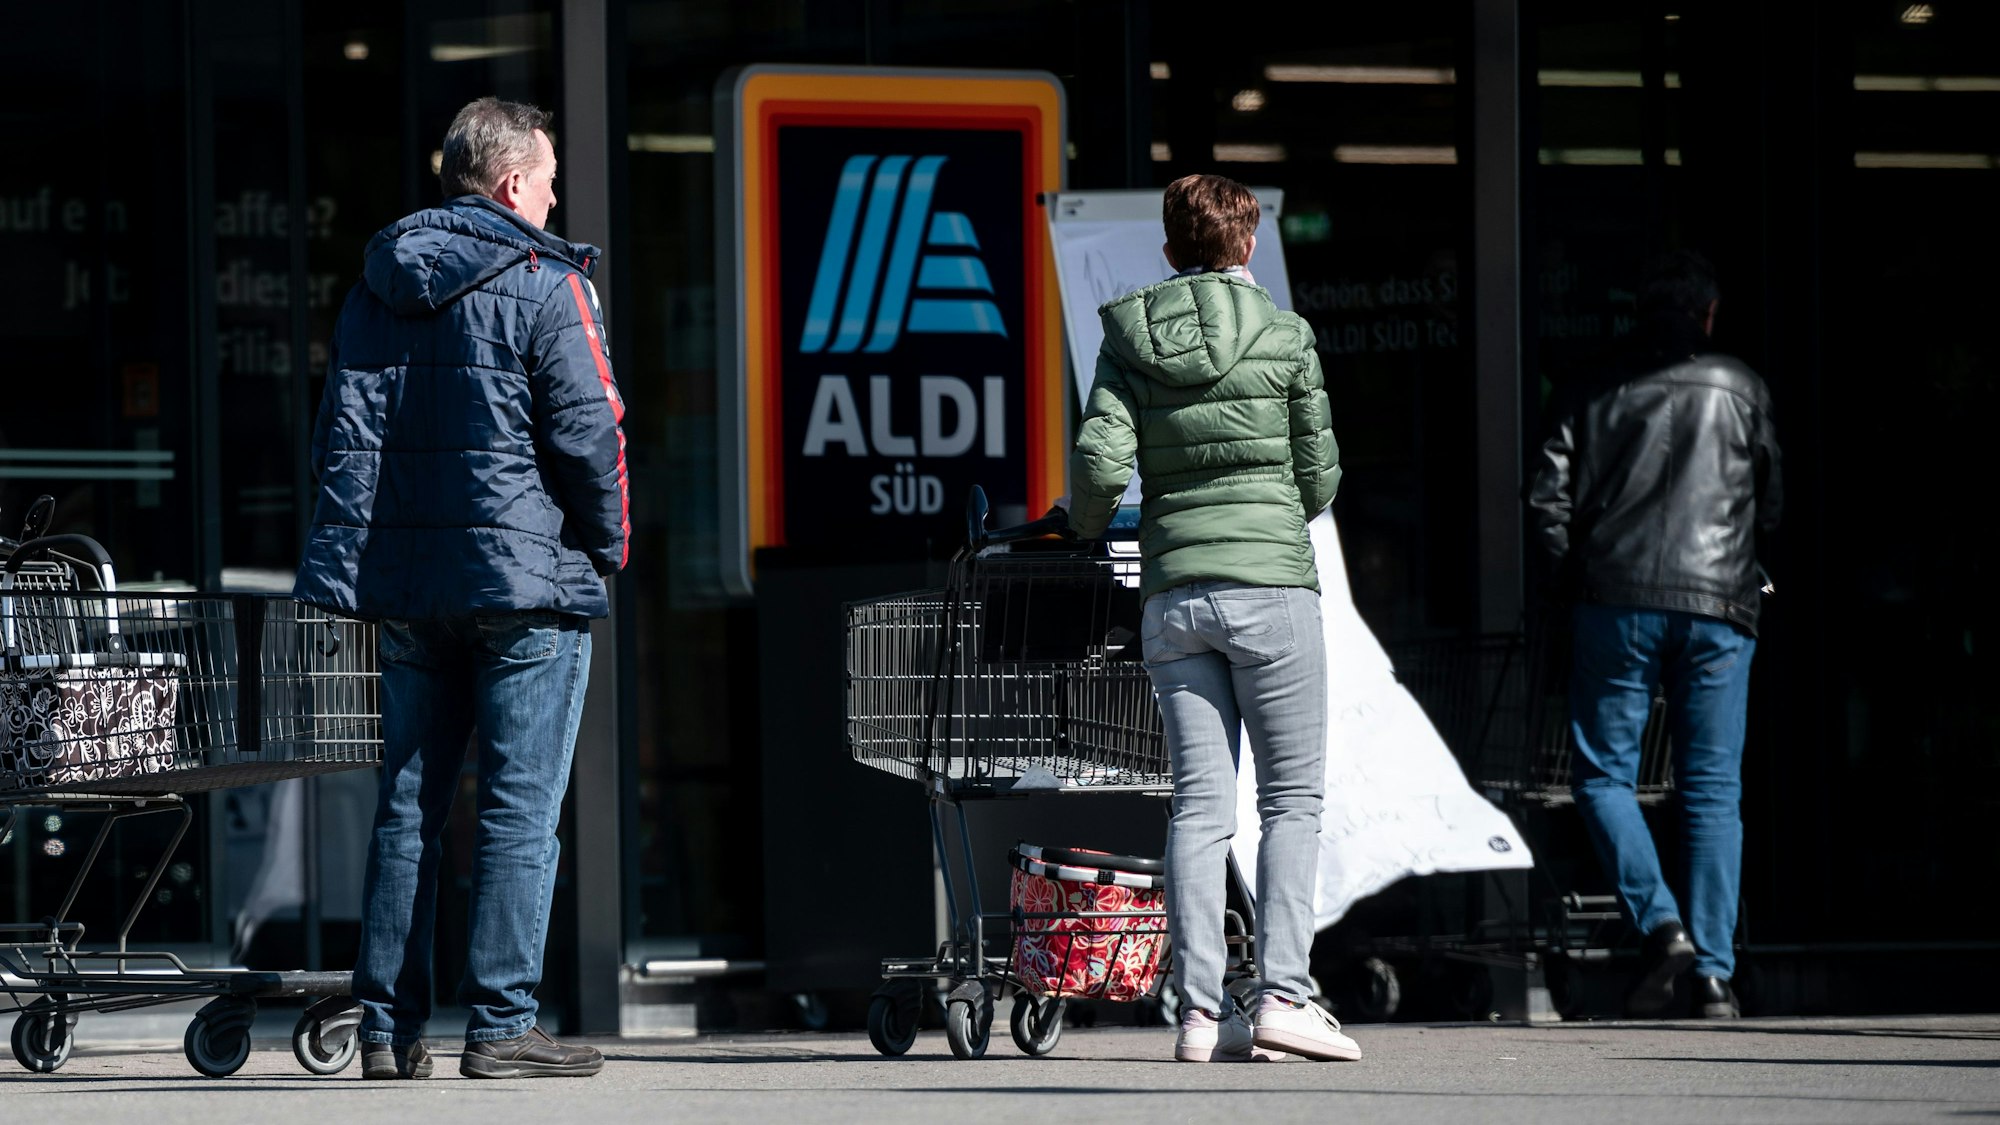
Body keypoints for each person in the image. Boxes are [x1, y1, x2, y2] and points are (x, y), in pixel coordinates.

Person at [295, 96, 629, 1079]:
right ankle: (500, 1026)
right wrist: (606, 545)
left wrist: (364, 559)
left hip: (409, 590)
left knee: (407, 806)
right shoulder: (544, 280)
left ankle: (388, 1030)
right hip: (526, 585)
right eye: (552, 179)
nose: (558, 197)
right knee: (518, 811)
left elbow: (339, 444)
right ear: (514, 183)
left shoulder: (375, 287)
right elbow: (590, 432)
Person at [1064, 174, 1357, 1063]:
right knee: (1292, 800)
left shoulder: (1129, 335)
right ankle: (1285, 997)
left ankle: (1199, 1014)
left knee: (1199, 806)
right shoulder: (1286, 335)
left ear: (1168, 249)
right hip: (1272, 588)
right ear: (1248, 244)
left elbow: (1097, 459)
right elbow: (1320, 478)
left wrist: (1085, 524)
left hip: (1175, 594)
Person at [1527, 249, 1782, 1020]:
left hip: (1617, 599)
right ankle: (1711, 971)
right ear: (1707, 316)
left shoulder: (1592, 383)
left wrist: (1577, 578)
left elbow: (1547, 499)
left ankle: (1661, 922)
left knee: (1603, 778)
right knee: (1712, 788)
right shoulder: (1742, 387)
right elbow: (1769, 501)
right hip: (1719, 603)